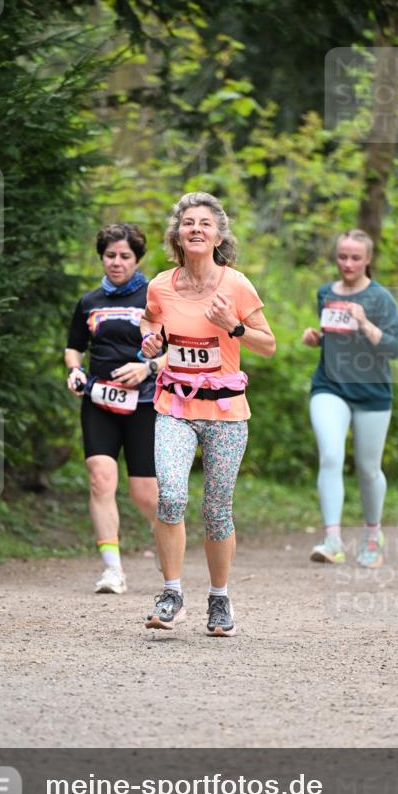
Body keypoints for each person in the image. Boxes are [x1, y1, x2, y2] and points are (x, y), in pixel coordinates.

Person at [140, 191, 275, 636]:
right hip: (174, 408)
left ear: (218, 236)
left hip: (225, 413)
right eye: (188, 223)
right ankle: (172, 594)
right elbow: (149, 321)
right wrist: (151, 341)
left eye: (205, 223)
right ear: (177, 235)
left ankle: (219, 600)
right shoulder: (160, 285)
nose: (195, 229)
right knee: (170, 496)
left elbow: (268, 344)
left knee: (217, 510)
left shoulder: (236, 285)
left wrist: (232, 327)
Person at [65, 223, 165, 594]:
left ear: (137, 259)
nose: (116, 262)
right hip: (100, 400)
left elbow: (176, 350)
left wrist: (147, 367)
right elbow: (74, 347)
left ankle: (164, 537)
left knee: (145, 493)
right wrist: (75, 371)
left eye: (125, 256)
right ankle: (112, 569)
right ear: (102, 257)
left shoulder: (154, 297)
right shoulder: (89, 302)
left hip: (145, 403)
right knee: (100, 477)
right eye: (110, 256)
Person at [301, 228, 398, 568]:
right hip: (330, 386)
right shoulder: (324, 293)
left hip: (372, 392)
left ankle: (373, 536)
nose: (347, 263)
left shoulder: (381, 298)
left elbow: (396, 348)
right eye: (342, 256)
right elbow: (335, 336)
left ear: (368, 259)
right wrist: (317, 339)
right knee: (330, 456)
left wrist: (365, 323)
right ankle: (332, 540)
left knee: (368, 469)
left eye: (355, 258)